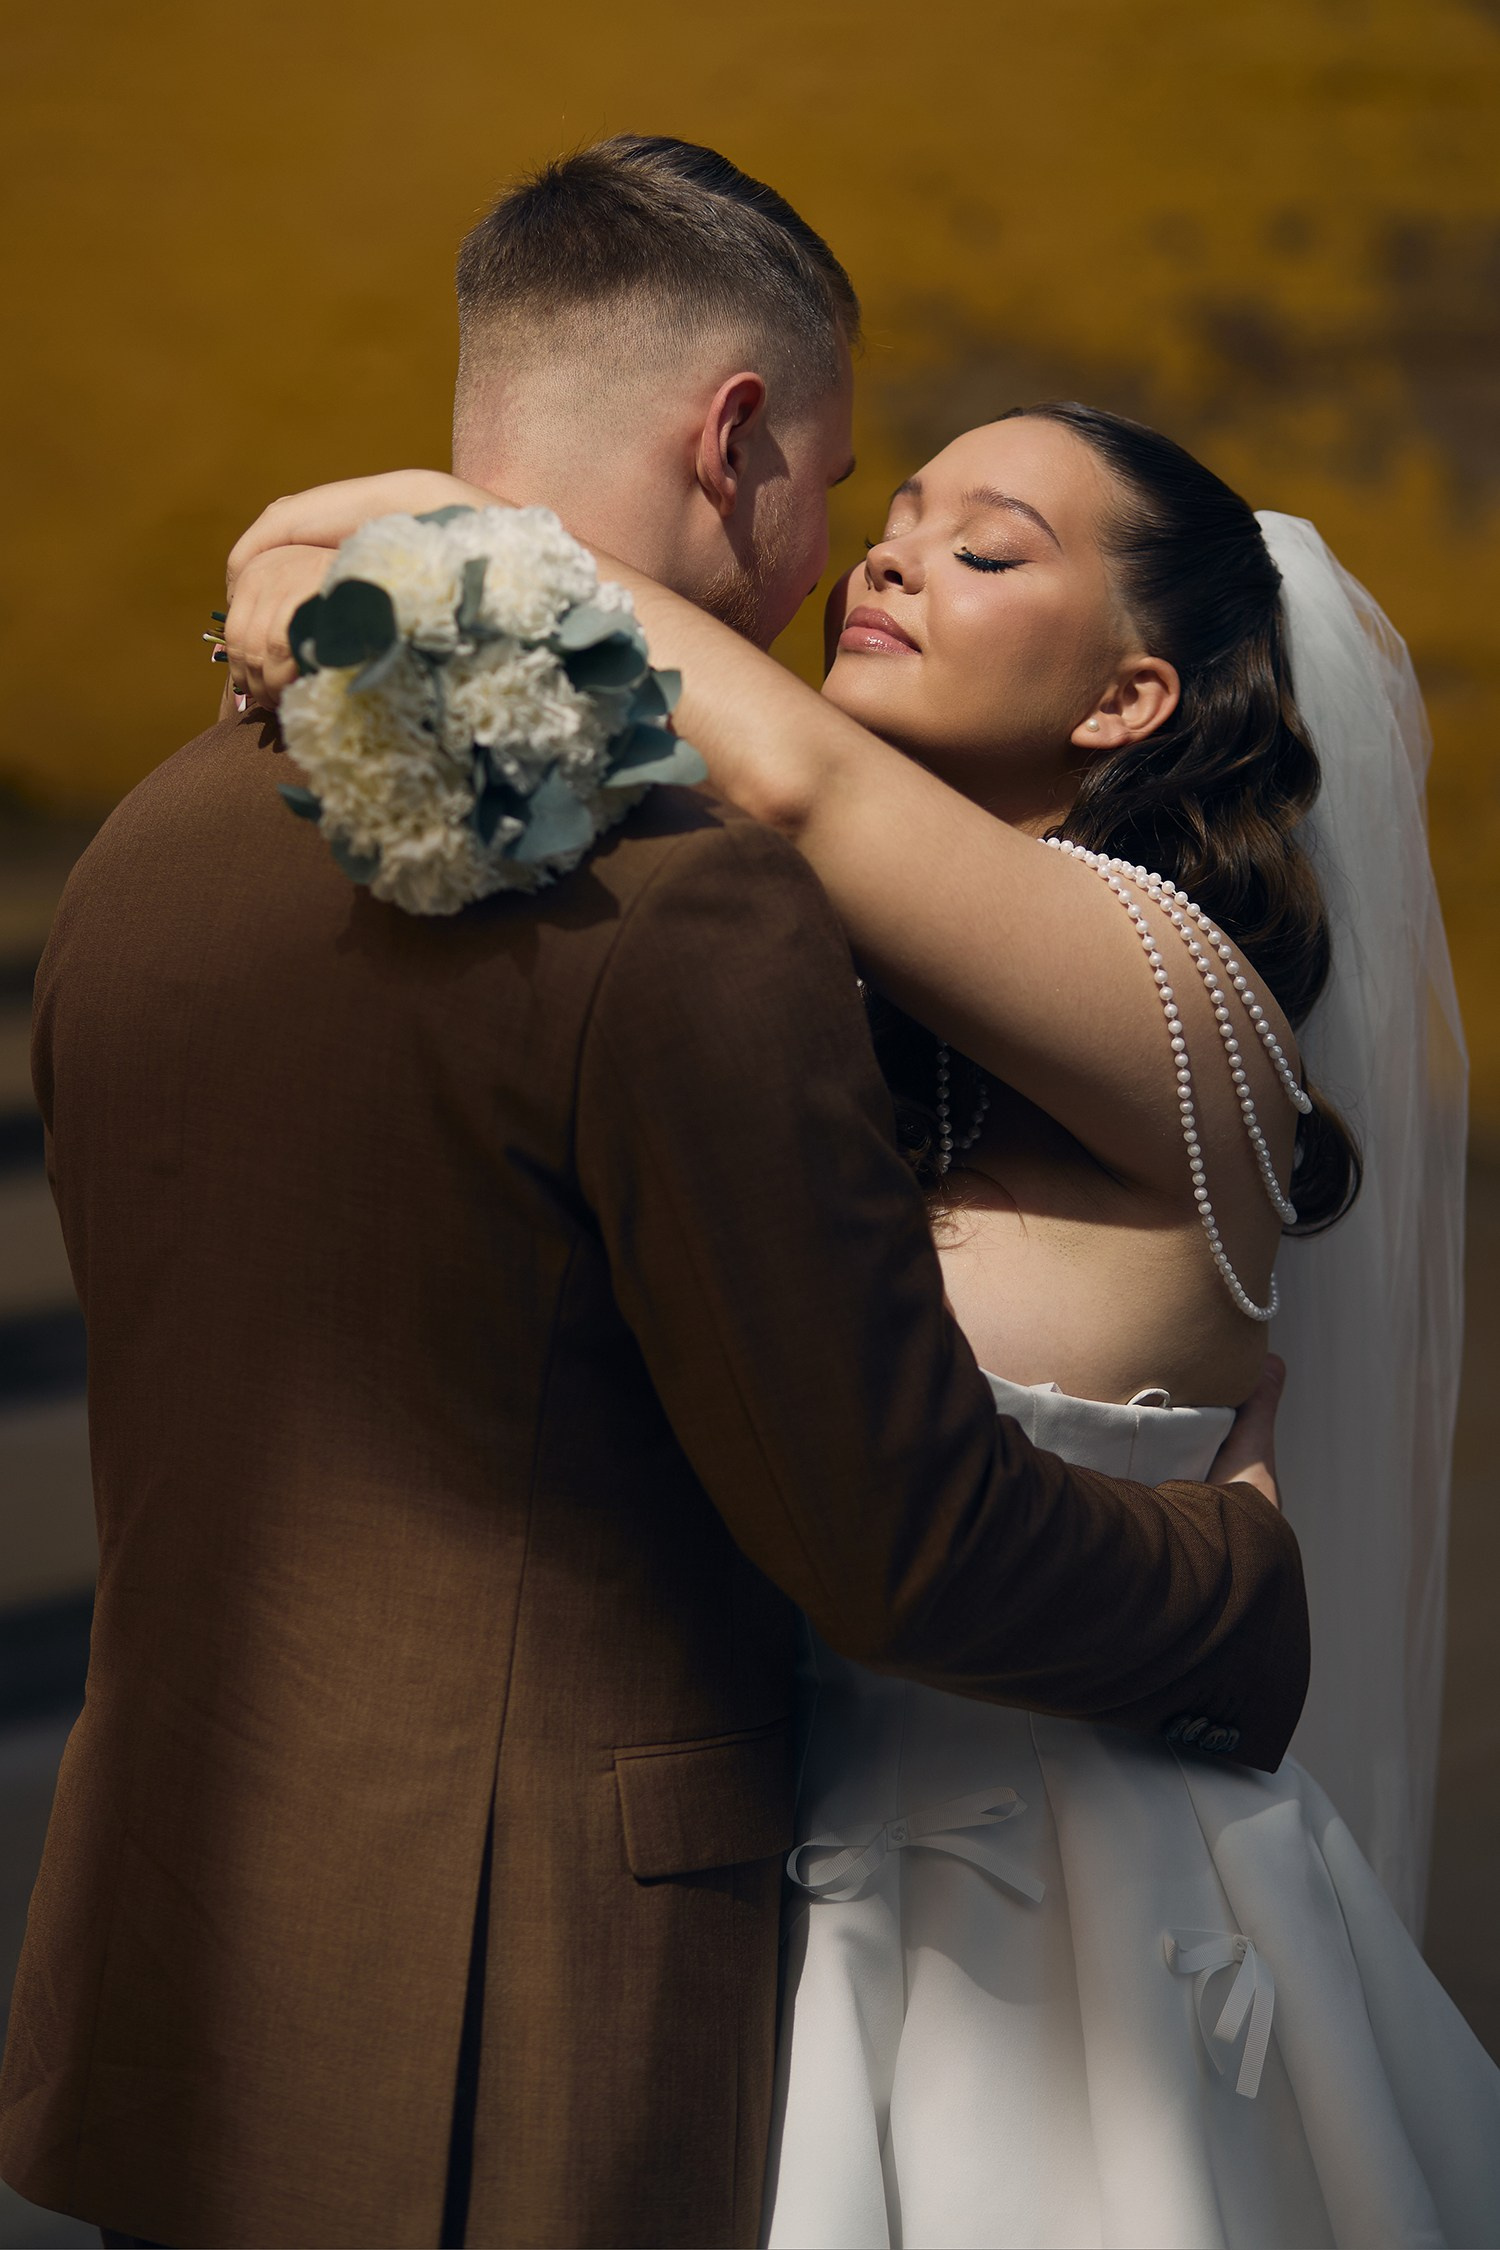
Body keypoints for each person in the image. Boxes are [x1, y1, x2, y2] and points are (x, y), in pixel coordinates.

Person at [0, 142, 1307, 2250]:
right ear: (734, 440)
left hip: (190, 1982)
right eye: (856, 498)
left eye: (973, 547)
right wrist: (1242, 1584)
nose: (861, 567)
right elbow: (892, 1537)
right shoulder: (686, 906)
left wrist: (366, 552)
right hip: (521, 2017)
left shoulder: (149, 842)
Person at [225, 392, 1496, 2244]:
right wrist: (289, 569)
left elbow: (799, 779)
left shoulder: (1187, 998)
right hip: (764, 1909)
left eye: (982, 550)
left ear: (1129, 700)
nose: (889, 560)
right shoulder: (825, 992)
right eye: (893, 523)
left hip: (1080, 1955)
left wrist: (427, 518)